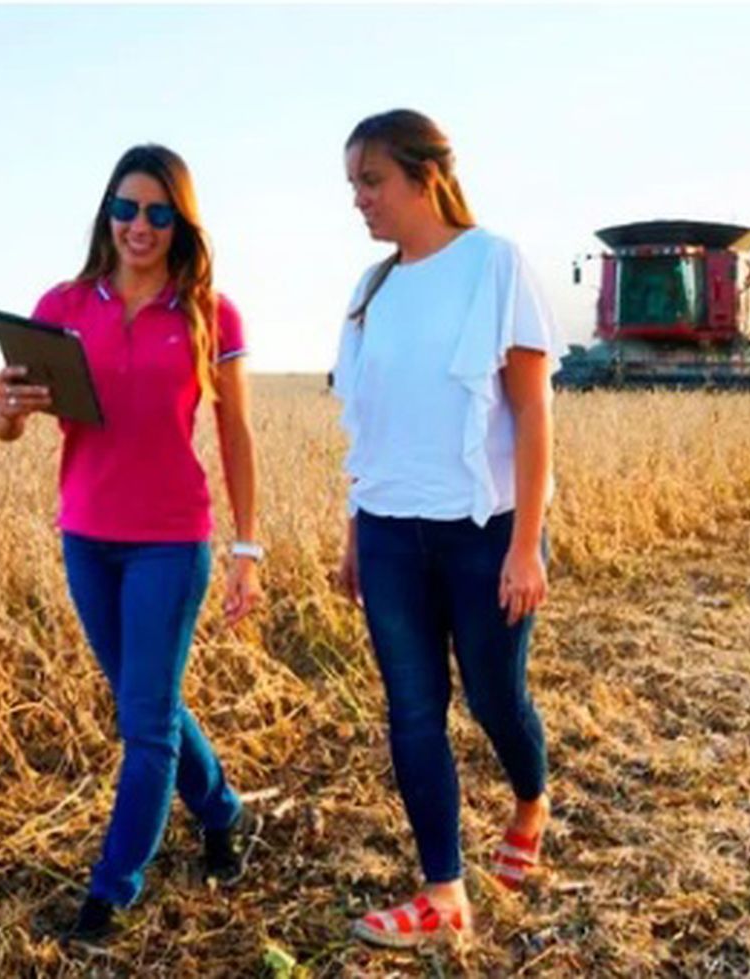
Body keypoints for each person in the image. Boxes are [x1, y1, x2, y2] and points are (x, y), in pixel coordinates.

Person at [0, 144, 264, 944]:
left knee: (143, 726)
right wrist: (2, 408)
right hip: (86, 538)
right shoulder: (63, 303)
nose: (139, 225)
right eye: (125, 207)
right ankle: (221, 811)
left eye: (158, 211)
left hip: (171, 544)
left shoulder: (212, 312)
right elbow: (10, 426)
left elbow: (236, 432)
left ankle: (109, 894)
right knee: (152, 706)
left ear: (182, 222)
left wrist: (250, 547)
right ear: (106, 212)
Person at [331, 109, 565, 949]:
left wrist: (526, 543)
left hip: (481, 530)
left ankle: (532, 799)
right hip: (390, 532)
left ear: (425, 176)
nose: (359, 200)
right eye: (352, 184)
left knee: (497, 696)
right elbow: (371, 422)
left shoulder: (494, 264)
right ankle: (443, 891)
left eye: (372, 180)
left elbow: (533, 412)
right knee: (413, 708)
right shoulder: (371, 289)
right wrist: (356, 531)